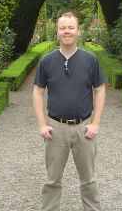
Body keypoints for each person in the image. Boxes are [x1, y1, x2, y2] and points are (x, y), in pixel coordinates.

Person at [33, 12, 107, 211]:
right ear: (57, 32)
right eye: (63, 28)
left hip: (84, 128)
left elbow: (100, 91)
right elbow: (38, 92)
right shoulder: (46, 61)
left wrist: (95, 123)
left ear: (78, 31)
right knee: (52, 180)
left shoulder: (91, 60)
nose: (67, 32)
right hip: (56, 129)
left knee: (89, 180)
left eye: (71, 28)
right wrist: (42, 124)